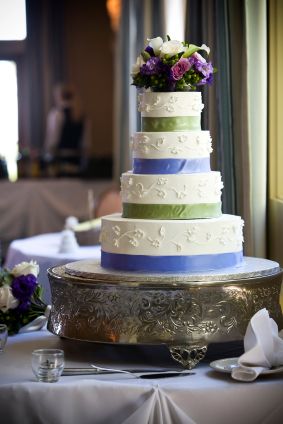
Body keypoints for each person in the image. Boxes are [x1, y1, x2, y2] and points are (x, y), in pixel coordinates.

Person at [43, 83, 91, 177]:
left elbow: (52, 141)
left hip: (59, 162)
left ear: (59, 96)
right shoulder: (82, 116)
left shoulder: (56, 115)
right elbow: (86, 143)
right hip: (77, 162)